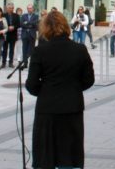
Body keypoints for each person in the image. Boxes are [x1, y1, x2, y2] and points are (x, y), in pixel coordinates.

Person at [25, 11, 95, 169]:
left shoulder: (40, 51)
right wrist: (74, 88)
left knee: (46, 155)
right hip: (72, 106)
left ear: (46, 28)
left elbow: (31, 84)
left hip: (47, 108)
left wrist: (45, 90)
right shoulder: (79, 49)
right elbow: (89, 80)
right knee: (69, 155)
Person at [3, 3, 20, 68]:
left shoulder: (16, 15)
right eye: (10, 8)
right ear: (7, 8)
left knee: (12, 49)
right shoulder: (3, 15)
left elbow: (18, 24)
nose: (11, 9)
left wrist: (14, 27)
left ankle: (11, 62)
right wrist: (7, 28)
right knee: (4, 49)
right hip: (6, 34)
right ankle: (3, 62)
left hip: (13, 34)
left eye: (12, 8)